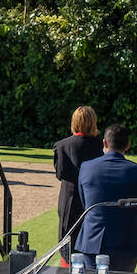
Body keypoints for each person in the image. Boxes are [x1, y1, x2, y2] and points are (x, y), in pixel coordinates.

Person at [74, 123, 137, 272]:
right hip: (126, 242)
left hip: (93, 240)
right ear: (128, 145)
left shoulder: (86, 167)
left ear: (104, 143)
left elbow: (86, 204)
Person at [52, 105, 104, 247]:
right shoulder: (99, 145)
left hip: (69, 196)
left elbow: (60, 174)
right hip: (92, 196)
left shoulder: (61, 146)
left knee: (68, 240)